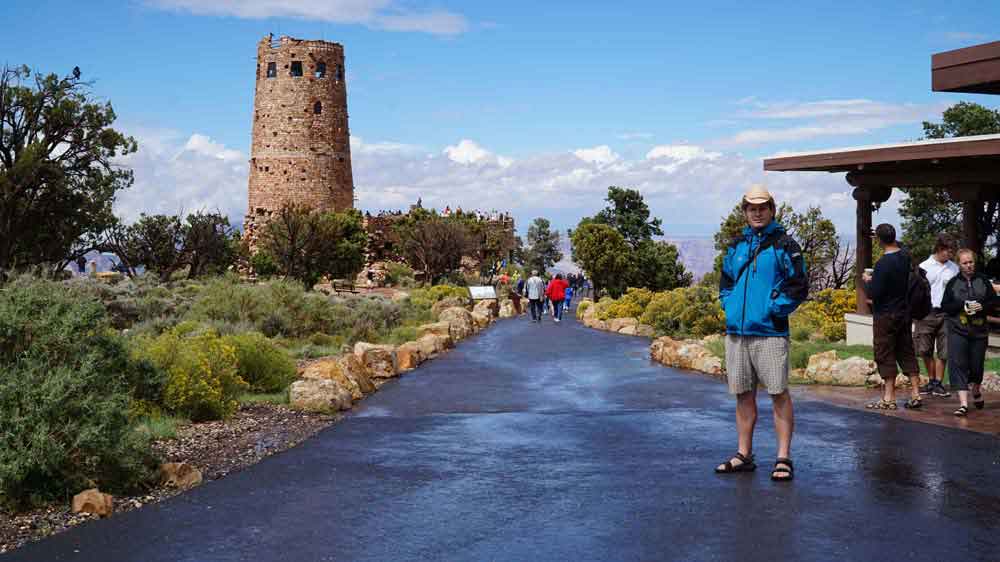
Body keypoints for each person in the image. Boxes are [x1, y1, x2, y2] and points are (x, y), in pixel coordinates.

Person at [717, 185, 807, 482]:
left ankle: (783, 457)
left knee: (778, 393)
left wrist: (773, 309)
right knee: (743, 394)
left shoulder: (784, 244)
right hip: (737, 331)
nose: (757, 212)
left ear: (771, 210)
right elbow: (726, 282)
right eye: (751, 208)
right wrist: (729, 307)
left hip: (769, 332)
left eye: (762, 207)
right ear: (745, 211)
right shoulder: (736, 244)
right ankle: (744, 454)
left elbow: (798, 285)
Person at [863, 224, 923, 411]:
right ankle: (915, 393)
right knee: (906, 350)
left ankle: (889, 398)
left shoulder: (883, 264)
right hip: (903, 313)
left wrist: (867, 281)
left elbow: (875, 293)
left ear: (879, 240)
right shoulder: (904, 257)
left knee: (885, 353)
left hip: (885, 315)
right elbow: (901, 246)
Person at [941, 249, 996, 417]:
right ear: (959, 264)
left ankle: (976, 390)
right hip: (958, 330)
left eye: (971, 262)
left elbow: (994, 300)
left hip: (979, 331)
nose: (969, 265)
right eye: (965, 263)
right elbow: (945, 306)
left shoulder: (983, 280)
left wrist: (982, 307)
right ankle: (963, 404)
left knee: (976, 366)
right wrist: (961, 306)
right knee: (958, 364)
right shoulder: (952, 283)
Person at [916, 234, 958, 398]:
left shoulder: (954, 268)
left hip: (946, 314)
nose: (951, 254)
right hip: (926, 313)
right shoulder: (923, 266)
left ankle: (938, 383)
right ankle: (931, 380)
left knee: (944, 351)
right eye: (949, 251)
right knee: (924, 349)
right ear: (940, 249)